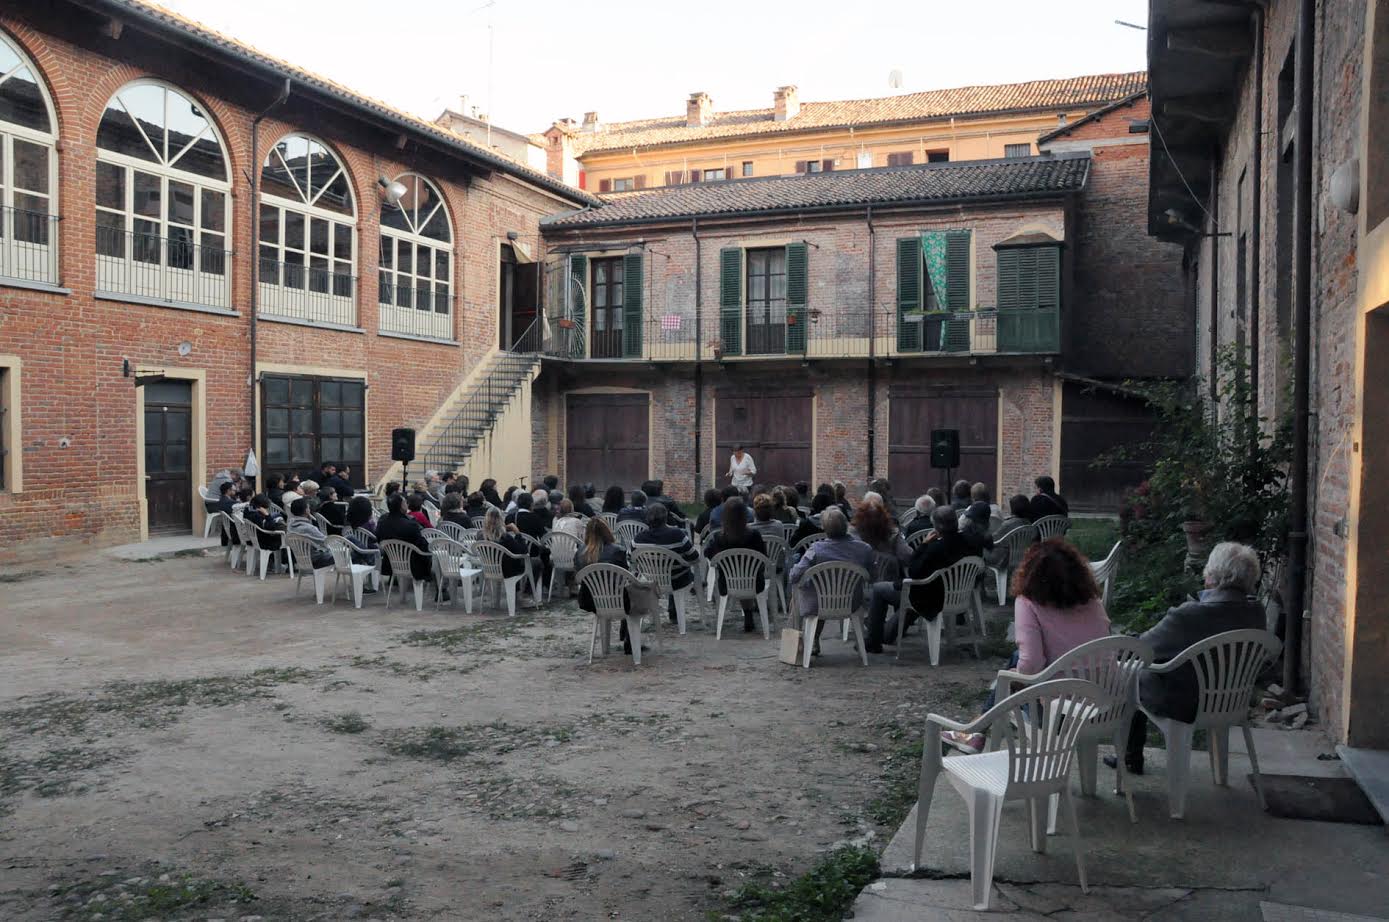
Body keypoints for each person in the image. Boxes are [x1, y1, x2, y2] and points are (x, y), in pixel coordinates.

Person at [1105, 542, 1267, 776]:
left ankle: (1129, 757)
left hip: (1185, 702)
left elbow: (1141, 648)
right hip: (1231, 700)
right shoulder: (1257, 611)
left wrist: (1117, 642)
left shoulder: (1189, 615)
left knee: (1133, 674)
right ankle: (1132, 757)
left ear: (1211, 574)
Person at [942, 539, 1113, 754]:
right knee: (1014, 663)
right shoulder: (1093, 602)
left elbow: (1031, 664)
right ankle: (975, 731)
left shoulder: (1029, 603)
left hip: (1056, 713)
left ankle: (975, 732)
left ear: (1030, 573)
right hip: (1102, 708)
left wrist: (1015, 676)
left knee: (1009, 676)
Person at [880, 506, 977, 645]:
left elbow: (913, 572)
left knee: (880, 589)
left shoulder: (935, 548)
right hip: (958, 595)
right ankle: (885, 633)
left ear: (937, 526)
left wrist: (924, 545)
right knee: (909, 595)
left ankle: (874, 637)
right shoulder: (968, 542)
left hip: (931, 598)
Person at [789, 507, 877, 656]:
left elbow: (794, 576)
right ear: (847, 525)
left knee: (801, 592)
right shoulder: (864, 549)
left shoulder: (816, 549)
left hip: (818, 603)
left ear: (824, 528)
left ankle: (803, 642)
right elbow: (873, 576)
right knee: (819, 592)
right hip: (851, 601)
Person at [703, 497, 767, 633]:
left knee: (738, 575)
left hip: (727, 583)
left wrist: (723, 562)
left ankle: (744, 615)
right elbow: (763, 557)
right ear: (745, 514)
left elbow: (708, 554)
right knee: (748, 574)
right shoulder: (754, 535)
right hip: (755, 582)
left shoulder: (718, 538)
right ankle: (748, 614)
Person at [633, 502, 699, 625]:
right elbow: (694, 556)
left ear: (647, 518)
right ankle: (674, 613)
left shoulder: (638, 538)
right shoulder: (678, 534)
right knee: (681, 572)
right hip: (677, 580)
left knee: (670, 572)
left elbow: (630, 558)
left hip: (649, 579)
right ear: (666, 517)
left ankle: (653, 617)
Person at [375, 492, 437, 591]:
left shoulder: (382, 521)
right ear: (401, 506)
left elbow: (378, 538)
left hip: (391, 563)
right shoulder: (410, 524)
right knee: (435, 555)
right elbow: (422, 546)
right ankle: (441, 590)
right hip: (413, 565)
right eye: (405, 503)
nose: (407, 505)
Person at [987, 494, 1033, 567]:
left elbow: (993, 540)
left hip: (1005, 561)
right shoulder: (1030, 525)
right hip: (1023, 559)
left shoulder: (1008, 524)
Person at [287, 498, 334, 569]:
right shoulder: (309, 528)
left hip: (302, 560)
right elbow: (326, 541)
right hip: (317, 559)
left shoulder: (290, 525)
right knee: (351, 550)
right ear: (306, 510)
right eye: (308, 507)